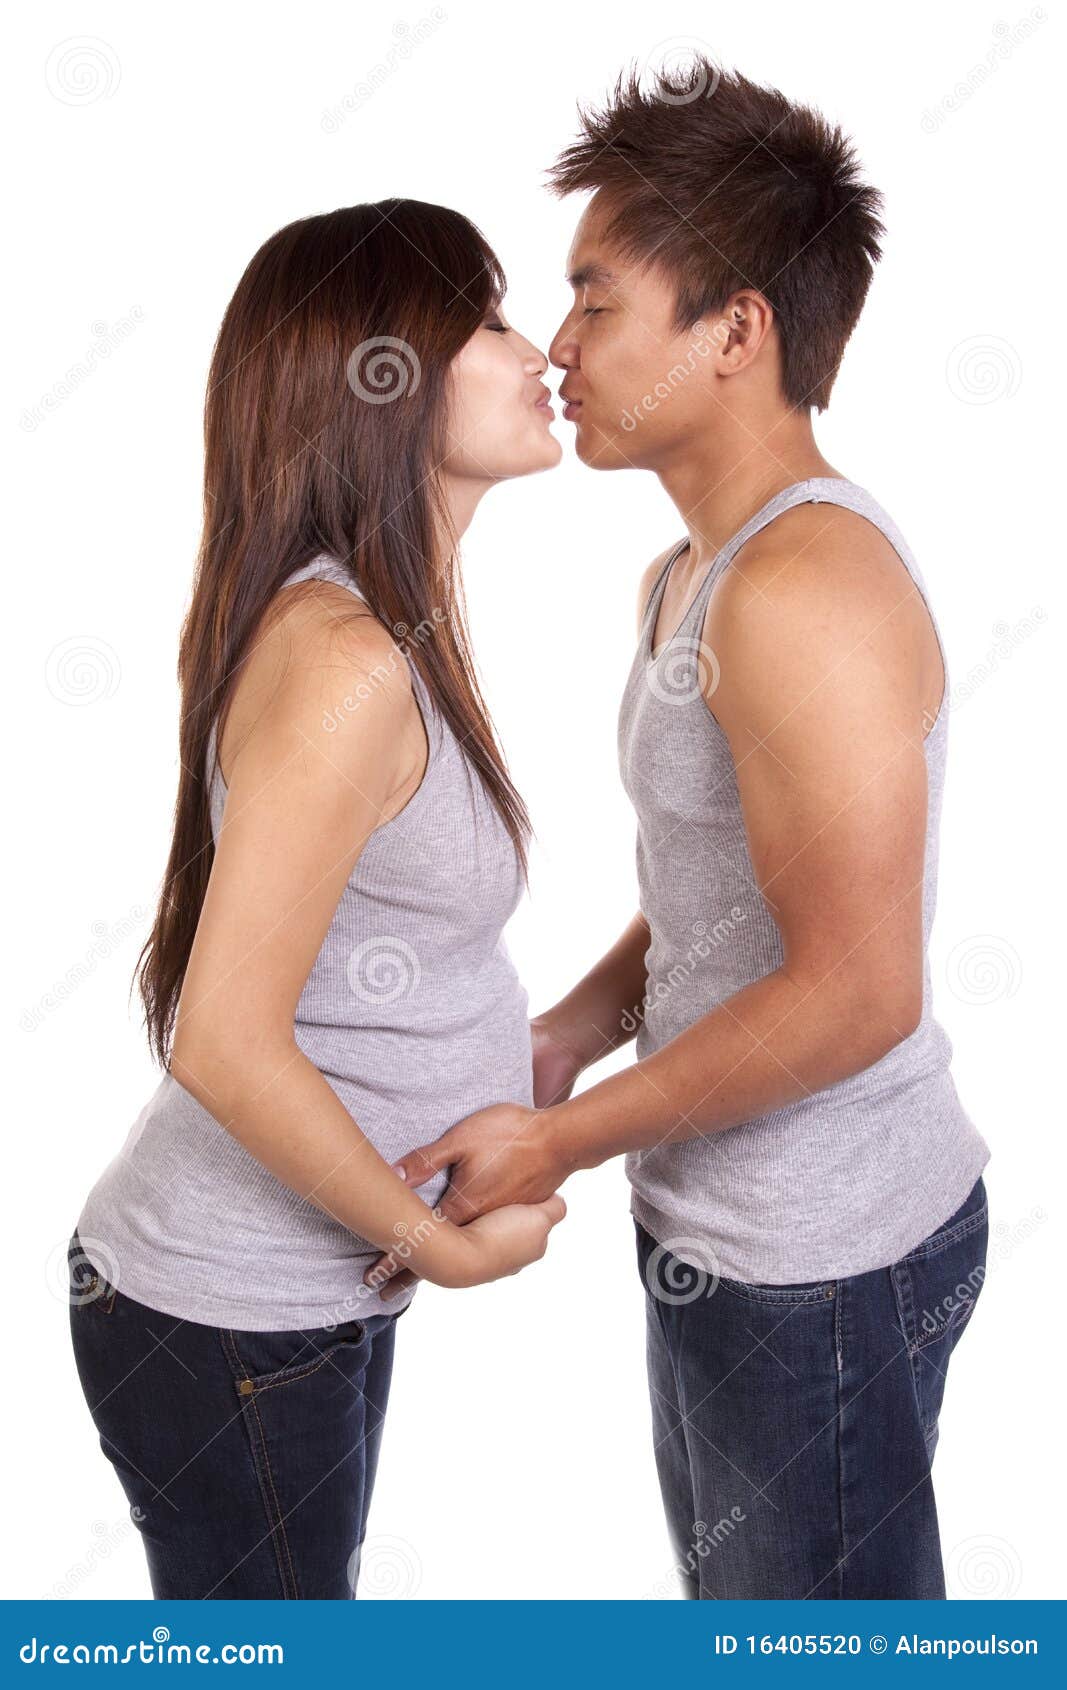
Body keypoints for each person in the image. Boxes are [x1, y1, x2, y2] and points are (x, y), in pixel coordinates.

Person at [375, 67, 992, 1599]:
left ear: (736, 331)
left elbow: (859, 989)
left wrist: (556, 1139)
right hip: (735, 1233)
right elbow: (735, 889)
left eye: (596, 299)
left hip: (821, 1263)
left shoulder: (804, 592)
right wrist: (567, 1036)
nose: (558, 345)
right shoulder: (691, 574)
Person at [68, 199, 566, 1601]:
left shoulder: (378, 625)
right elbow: (223, 1041)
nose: (537, 349)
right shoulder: (347, 657)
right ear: (383, 379)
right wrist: (444, 1253)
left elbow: (375, 960)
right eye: (487, 319)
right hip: (230, 1318)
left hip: (287, 1311)